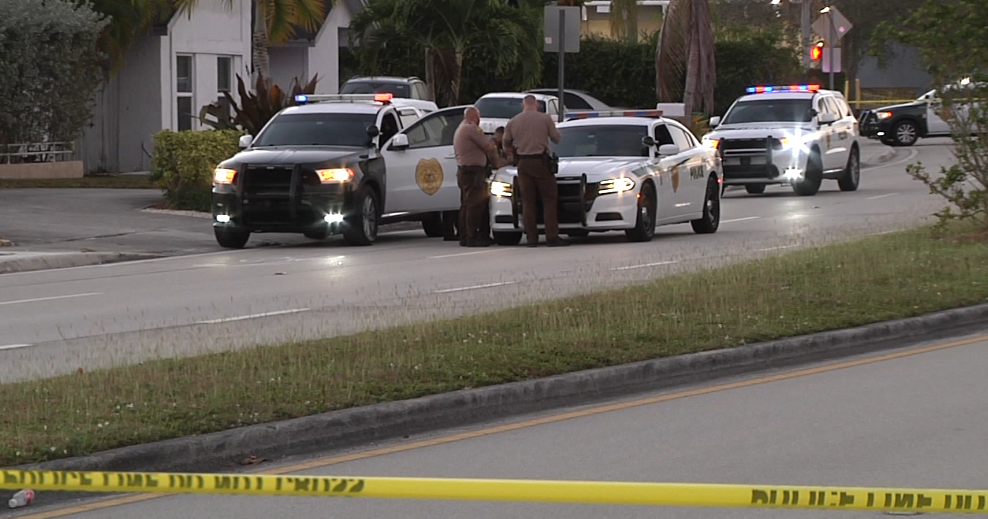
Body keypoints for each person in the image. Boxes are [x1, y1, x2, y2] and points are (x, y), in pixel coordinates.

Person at [503, 95, 568, 247]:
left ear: (523, 105)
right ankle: (552, 236)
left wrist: (512, 154)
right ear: (537, 105)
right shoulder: (545, 119)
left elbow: (506, 143)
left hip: (523, 163)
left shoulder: (513, 121)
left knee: (528, 201)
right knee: (549, 199)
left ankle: (532, 238)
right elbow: (557, 138)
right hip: (541, 162)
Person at [453, 106, 500, 247]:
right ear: (476, 117)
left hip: (464, 171)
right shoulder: (471, 128)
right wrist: (495, 143)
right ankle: (471, 236)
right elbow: (488, 146)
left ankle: (465, 236)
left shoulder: (461, 128)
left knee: (466, 205)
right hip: (474, 172)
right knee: (475, 205)